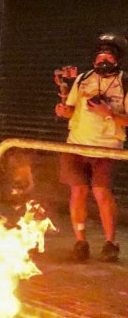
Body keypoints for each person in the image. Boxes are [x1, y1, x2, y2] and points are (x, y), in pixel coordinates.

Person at [55, 33, 128, 262]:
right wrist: (62, 110)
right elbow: (70, 110)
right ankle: (80, 241)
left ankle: (110, 243)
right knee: (77, 192)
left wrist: (109, 113)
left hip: (105, 148)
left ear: (118, 60)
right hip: (76, 145)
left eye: (108, 57)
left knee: (101, 193)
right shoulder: (83, 79)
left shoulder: (125, 83)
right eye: (99, 58)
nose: (103, 62)